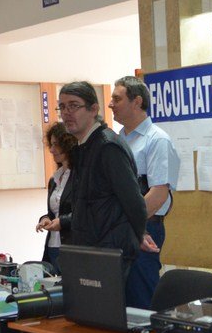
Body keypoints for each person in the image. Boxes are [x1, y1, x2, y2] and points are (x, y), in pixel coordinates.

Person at [56, 81, 154, 275]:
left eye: (73, 106)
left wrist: (139, 233)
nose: (66, 113)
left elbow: (133, 201)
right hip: (88, 249)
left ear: (94, 109)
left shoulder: (107, 147)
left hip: (108, 251)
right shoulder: (83, 147)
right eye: (62, 107)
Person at [109, 75, 179, 308]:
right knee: (117, 300)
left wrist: (131, 227)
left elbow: (158, 195)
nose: (110, 104)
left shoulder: (157, 140)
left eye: (117, 99)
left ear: (137, 102)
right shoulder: (116, 140)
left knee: (141, 298)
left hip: (144, 228)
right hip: (119, 229)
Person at [35, 121, 76, 270]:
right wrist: (45, 219)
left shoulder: (79, 177)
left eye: (55, 145)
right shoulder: (54, 179)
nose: (51, 150)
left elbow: (85, 213)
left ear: (68, 145)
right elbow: (54, 213)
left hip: (72, 245)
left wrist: (62, 222)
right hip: (53, 245)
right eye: (50, 145)